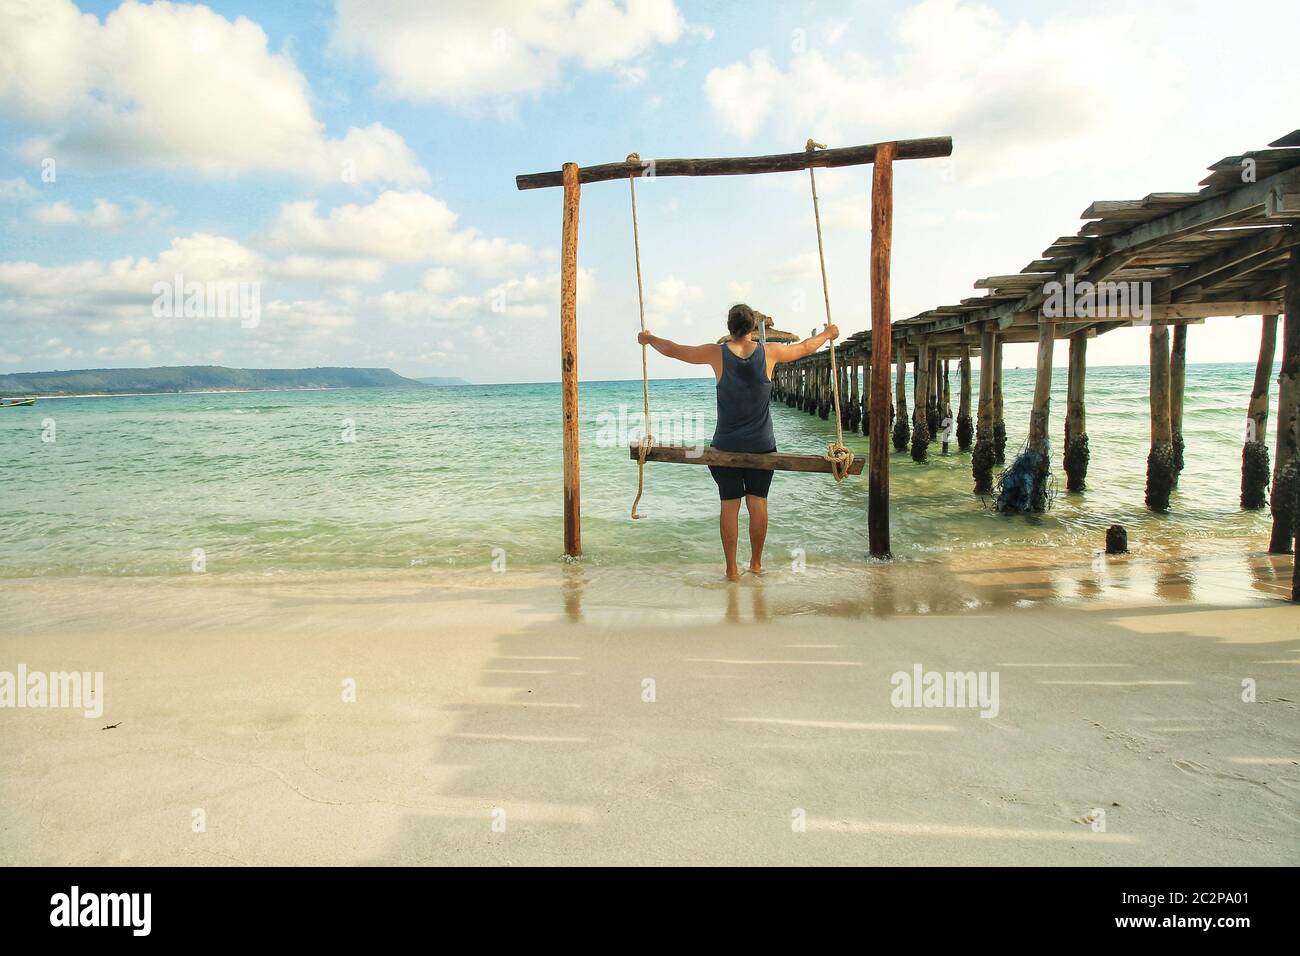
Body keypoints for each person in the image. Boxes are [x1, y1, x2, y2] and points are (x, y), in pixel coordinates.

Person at [638, 303, 839, 580]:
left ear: (729, 327)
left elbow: (675, 350)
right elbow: (805, 347)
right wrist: (828, 333)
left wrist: (649, 339)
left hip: (726, 446)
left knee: (729, 504)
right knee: (758, 503)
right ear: (753, 328)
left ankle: (731, 569)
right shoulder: (770, 353)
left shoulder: (715, 353)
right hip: (762, 446)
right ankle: (755, 564)